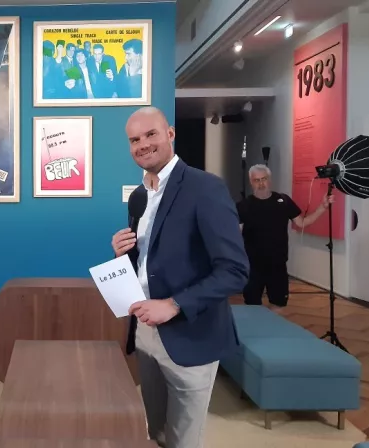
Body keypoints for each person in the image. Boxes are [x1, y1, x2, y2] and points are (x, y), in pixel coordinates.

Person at [111, 107, 249, 448]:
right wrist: (122, 253)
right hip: (145, 332)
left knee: (183, 440)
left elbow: (234, 270)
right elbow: (150, 262)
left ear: (170, 134)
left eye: (151, 134)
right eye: (134, 140)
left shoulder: (206, 188)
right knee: (156, 432)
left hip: (191, 334)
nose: (143, 145)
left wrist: (173, 305)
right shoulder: (139, 196)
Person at [237, 164, 333, 307]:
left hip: (278, 264)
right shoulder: (243, 206)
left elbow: (301, 222)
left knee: (279, 304)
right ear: (251, 182)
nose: (261, 184)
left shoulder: (283, 201)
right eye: (257, 180)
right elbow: (235, 235)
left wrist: (322, 207)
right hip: (252, 266)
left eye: (264, 179)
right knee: (252, 305)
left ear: (269, 180)